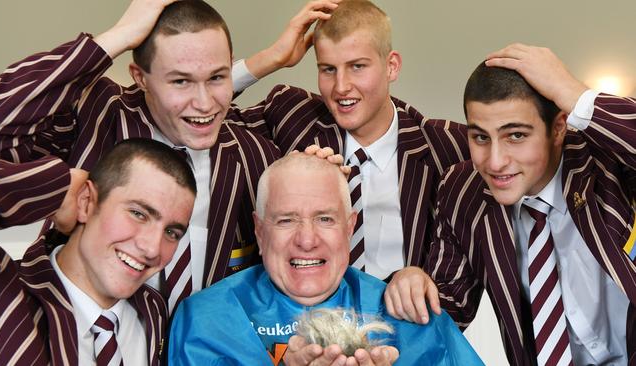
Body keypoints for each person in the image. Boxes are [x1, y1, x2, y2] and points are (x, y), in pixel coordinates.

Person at [0, 0, 349, 313]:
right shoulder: (98, 114)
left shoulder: (253, 151)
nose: (205, 104)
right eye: (180, 82)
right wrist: (118, 36)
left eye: (218, 78)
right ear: (140, 78)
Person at [227, 0, 468, 324]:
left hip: (406, 343)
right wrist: (272, 58)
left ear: (391, 66)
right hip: (291, 339)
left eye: (357, 66)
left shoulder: (447, 145)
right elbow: (194, 115)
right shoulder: (289, 116)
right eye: (328, 69)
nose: (341, 87)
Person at [423, 44, 636, 365]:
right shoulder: (460, 190)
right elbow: (448, 306)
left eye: (516, 136)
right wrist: (412, 286)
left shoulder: (604, 161)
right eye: (480, 137)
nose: (495, 162)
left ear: (559, 127)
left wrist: (578, 95)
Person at [168, 153, 483, 366]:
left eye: (325, 219)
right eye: (286, 220)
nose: (307, 240)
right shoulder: (204, 320)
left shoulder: (409, 313)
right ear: (260, 232)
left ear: (349, 228)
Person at [0, 138, 196, 365]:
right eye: (138, 214)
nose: (153, 248)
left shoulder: (155, 310)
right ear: (86, 201)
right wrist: (60, 186)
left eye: (172, 233)